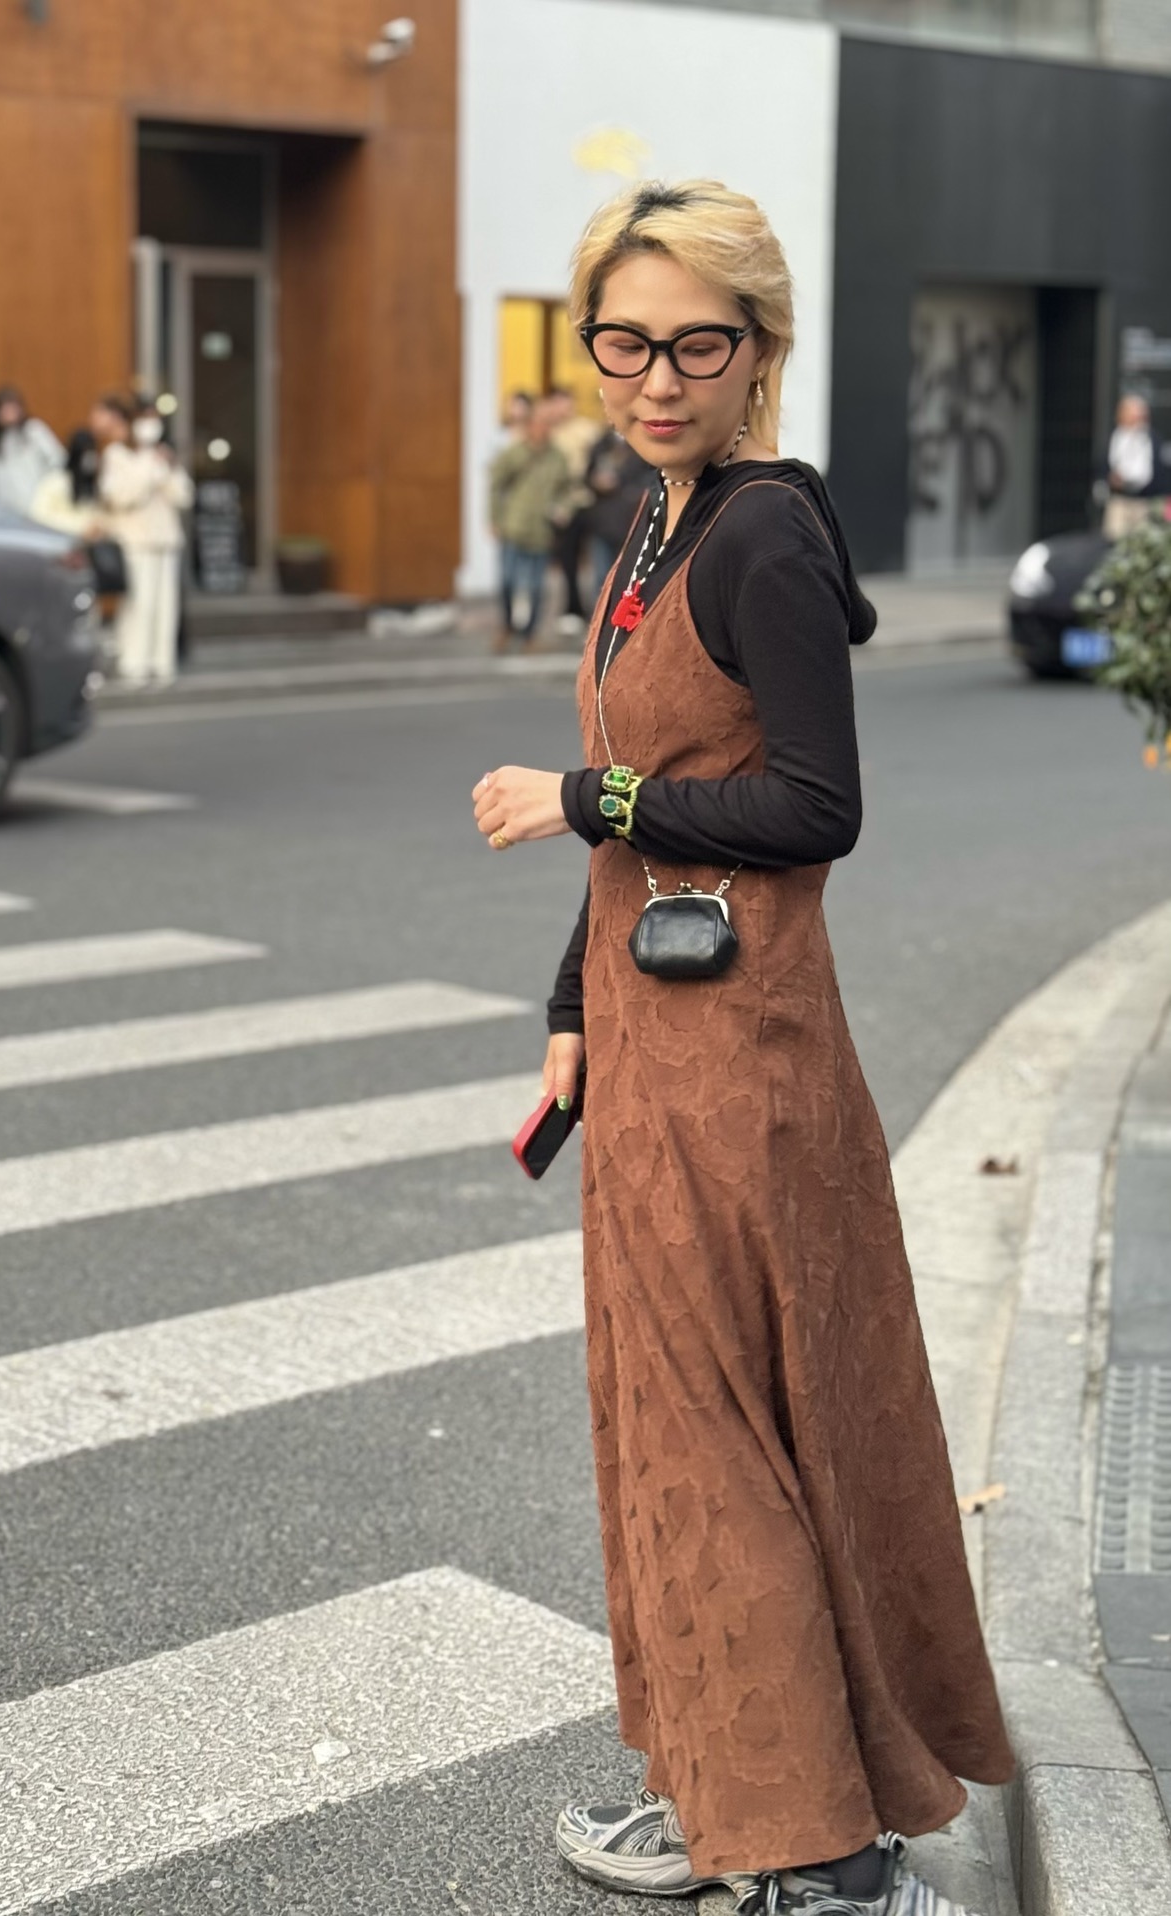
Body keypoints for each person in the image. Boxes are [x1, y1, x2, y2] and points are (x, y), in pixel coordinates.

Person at [471, 179, 1012, 1916]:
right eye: (622, 341)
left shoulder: (762, 534)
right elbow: (659, 823)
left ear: (760, 350)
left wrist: (586, 795)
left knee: (718, 1439)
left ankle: (822, 1858)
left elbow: (813, 806)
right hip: (654, 1044)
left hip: (739, 1060)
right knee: (677, 1426)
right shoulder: (660, 514)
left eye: (696, 344)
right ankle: (726, 1789)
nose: (654, 377)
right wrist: (573, 1011)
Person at [95, 393, 192, 688]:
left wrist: (168, 467)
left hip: (166, 540)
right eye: (145, 419)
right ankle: (133, 663)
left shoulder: (164, 455)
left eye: (154, 419)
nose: (150, 425)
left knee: (166, 605)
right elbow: (119, 497)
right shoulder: (117, 455)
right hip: (135, 540)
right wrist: (149, 470)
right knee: (140, 603)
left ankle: (162, 663)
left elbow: (184, 496)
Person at [487, 396, 573, 649]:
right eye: (538, 423)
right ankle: (507, 626)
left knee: (536, 587)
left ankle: (530, 634)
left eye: (547, 424)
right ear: (529, 425)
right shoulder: (514, 453)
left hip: (541, 530)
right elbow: (496, 486)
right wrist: (494, 519)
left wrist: (564, 509)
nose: (542, 428)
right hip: (513, 526)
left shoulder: (558, 457)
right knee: (507, 582)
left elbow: (567, 490)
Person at [544, 386, 603, 634]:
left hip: (591, 500)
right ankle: (573, 608)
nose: (562, 408)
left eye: (566, 401)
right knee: (567, 559)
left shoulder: (587, 430)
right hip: (563, 506)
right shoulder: (549, 433)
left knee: (599, 557)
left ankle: (600, 608)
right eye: (557, 402)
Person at [584, 424, 658, 593]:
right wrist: (596, 482)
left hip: (630, 521)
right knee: (601, 576)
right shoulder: (601, 445)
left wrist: (627, 490)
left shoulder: (642, 447)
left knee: (626, 576)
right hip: (602, 521)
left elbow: (650, 480)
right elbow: (587, 475)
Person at [0, 385, 65, 518]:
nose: (9, 413)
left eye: (12, 408)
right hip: (6, 514)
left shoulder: (34, 431)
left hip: (38, 508)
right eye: (4, 409)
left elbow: (57, 460)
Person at [1104, 392, 1167, 539]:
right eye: (1135, 414)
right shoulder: (1114, 437)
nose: (1139, 418)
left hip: (1144, 501)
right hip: (1119, 501)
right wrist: (1111, 479)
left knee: (1141, 541)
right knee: (1115, 539)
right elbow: (1104, 466)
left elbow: (1161, 468)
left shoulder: (1153, 439)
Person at [29, 427, 103, 538]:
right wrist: (80, 527)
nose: (90, 459)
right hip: (59, 541)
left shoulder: (93, 484)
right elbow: (40, 517)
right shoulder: (55, 482)